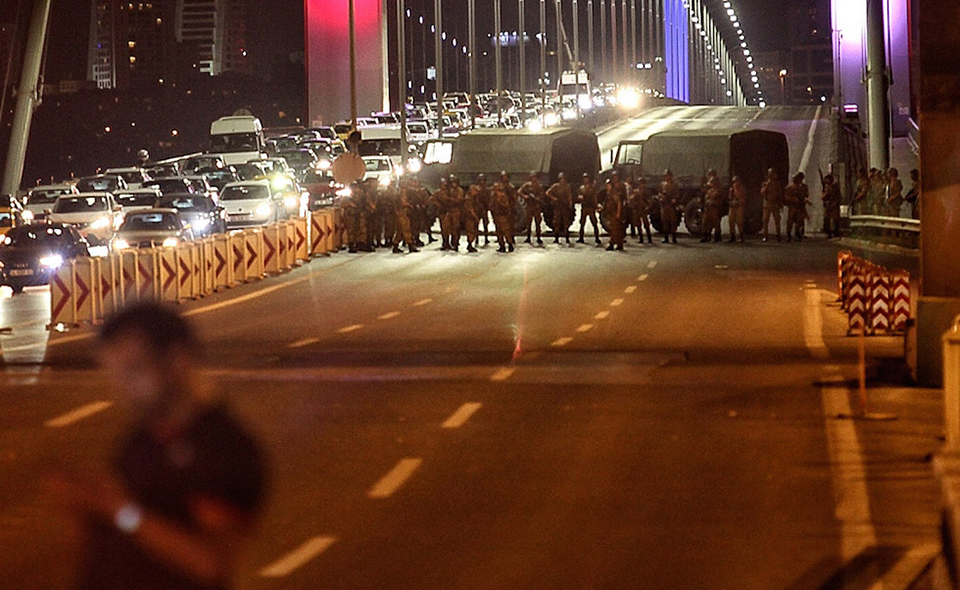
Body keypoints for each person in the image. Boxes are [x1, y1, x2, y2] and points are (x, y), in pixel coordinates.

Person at [51, 303, 266, 590]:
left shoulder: (224, 448)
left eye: (134, 370)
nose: (124, 387)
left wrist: (119, 511)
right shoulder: (141, 439)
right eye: (117, 374)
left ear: (177, 360)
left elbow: (210, 561)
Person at [546, 172, 574, 245]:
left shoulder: (567, 187)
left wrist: (570, 204)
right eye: (561, 179)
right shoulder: (555, 186)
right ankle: (556, 238)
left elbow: (569, 196)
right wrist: (554, 198)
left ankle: (567, 238)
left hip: (564, 207)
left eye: (563, 179)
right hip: (558, 207)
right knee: (556, 222)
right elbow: (547, 193)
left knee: (566, 222)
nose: (562, 180)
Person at [392, 180, 419, 253]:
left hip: (400, 213)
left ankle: (395, 244)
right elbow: (403, 202)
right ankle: (410, 245)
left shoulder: (400, 192)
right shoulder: (402, 193)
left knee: (400, 231)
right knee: (406, 229)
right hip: (403, 213)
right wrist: (410, 205)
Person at [518, 173, 545, 245]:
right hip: (529, 206)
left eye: (535, 177)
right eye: (532, 177)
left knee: (538, 223)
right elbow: (519, 191)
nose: (534, 179)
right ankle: (528, 237)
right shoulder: (527, 186)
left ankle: (538, 237)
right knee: (528, 223)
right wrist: (525, 196)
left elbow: (542, 195)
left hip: (536, 207)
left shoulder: (539, 186)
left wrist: (538, 198)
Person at [784, 172, 810, 242]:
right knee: (790, 221)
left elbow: (806, 195)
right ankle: (788, 235)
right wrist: (793, 199)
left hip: (801, 206)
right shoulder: (790, 187)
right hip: (793, 206)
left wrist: (804, 200)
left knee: (799, 221)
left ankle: (798, 234)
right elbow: (786, 197)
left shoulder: (804, 187)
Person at [490, 183, 516, 252]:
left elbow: (506, 206)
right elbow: (491, 205)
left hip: (502, 216)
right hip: (496, 216)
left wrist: (500, 203)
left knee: (506, 231)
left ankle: (510, 244)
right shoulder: (493, 196)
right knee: (498, 232)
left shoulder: (503, 196)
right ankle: (502, 246)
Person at [577, 174, 602, 245]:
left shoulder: (592, 188)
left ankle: (597, 238)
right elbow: (579, 195)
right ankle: (581, 237)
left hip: (590, 207)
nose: (586, 180)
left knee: (594, 223)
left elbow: (594, 197)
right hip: (584, 207)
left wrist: (596, 205)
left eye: (587, 178)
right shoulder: (581, 188)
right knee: (582, 223)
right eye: (584, 178)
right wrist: (580, 197)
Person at [761, 168, 784, 242]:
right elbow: (762, 192)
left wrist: (780, 204)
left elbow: (780, 194)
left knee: (777, 220)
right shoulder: (765, 183)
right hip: (767, 204)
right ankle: (765, 235)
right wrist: (767, 185)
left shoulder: (777, 184)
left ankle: (778, 235)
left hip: (775, 204)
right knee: (765, 221)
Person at [602, 178, 625, 251]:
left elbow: (619, 203)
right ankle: (619, 244)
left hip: (614, 213)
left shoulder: (614, 193)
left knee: (615, 229)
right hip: (610, 213)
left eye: (609, 185)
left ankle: (612, 244)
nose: (607, 186)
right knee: (616, 229)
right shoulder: (608, 193)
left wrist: (618, 213)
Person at [629, 177, 654, 244]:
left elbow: (650, 200)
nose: (641, 185)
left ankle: (649, 238)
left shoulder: (647, 191)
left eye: (642, 183)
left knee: (646, 224)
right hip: (638, 209)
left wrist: (647, 207)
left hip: (643, 209)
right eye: (640, 184)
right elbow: (632, 199)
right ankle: (641, 238)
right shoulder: (637, 191)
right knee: (638, 224)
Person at [699, 175, 724, 243]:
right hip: (708, 209)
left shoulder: (718, 191)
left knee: (716, 223)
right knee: (705, 223)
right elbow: (705, 198)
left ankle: (717, 237)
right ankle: (706, 236)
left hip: (714, 209)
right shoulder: (710, 191)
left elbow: (718, 200)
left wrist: (712, 202)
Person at [658, 170, 680, 244]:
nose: (667, 177)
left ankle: (674, 238)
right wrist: (661, 197)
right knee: (665, 221)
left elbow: (677, 194)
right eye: (666, 176)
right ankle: (666, 237)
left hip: (671, 205)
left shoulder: (674, 185)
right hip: (664, 205)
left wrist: (674, 199)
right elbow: (659, 193)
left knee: (673, 221)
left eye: (668, 175)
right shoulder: (662, 185)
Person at [462, 177, 482, 253]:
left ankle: (470, 244)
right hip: (469, 218)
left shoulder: (474, 198)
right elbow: (470, 209)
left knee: (473, 230)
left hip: (472, 217)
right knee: (470, 231)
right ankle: (470, 245)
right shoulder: (469, 199)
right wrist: (475, 216)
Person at [821, 174, 842, 238]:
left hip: (834, 204)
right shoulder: (825, 188)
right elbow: (822, 197)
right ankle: (828, 232)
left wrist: (835, 202)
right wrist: (826, 192)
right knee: (827, 218)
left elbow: (839, 196)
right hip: (828, 204)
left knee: (836, 218)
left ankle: (836, 231)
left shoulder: (835, 187)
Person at [727, 176, 746, 243]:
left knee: (739, 222)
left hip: (739, 206)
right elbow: (730, 197)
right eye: (734, 182)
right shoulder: (732, 189)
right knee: (731, 221)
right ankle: (732, 236)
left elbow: (743, 197)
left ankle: (741, 236)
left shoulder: (742, 188)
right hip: (733, 207)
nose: (735, 183)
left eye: (736, 181)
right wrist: (731, 202)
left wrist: (738, 201)